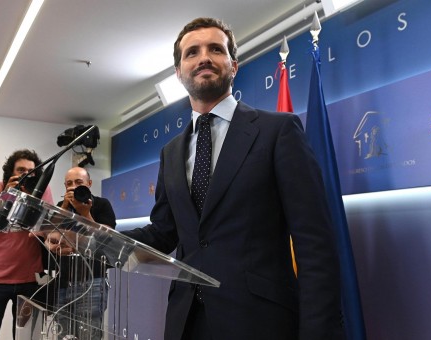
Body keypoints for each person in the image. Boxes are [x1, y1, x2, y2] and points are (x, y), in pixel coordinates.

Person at [121, 18, 344, 339]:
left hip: (260, 321)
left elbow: (315, 243)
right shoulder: (170, 152)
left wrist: (318, 331)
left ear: (234, 65)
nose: (204, 58)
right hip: (186, 322)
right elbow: (165, 232)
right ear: (179, 73)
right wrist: (93, 237)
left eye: (215, 49)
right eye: (192, 52)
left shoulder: (278, 131)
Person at [0, 149, 55, 340]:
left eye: (31, 171)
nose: (26, 175)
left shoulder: (41, 191)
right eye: (20, 170)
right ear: (11, 172)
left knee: (27, 336)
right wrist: (9, 194)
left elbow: (45, 226)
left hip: (29, 280)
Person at [42, 166, 116, 340]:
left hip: (92, 282)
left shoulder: (102, 204)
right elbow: (51, 233)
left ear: (89, 184)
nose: (73, 187)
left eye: (78, 182)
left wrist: (86, 213)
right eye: (69, 184)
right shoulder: (62, 207)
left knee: (88, 335)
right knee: (62, 334)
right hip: (63, 282)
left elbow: (105, 237)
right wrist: (66, 206)